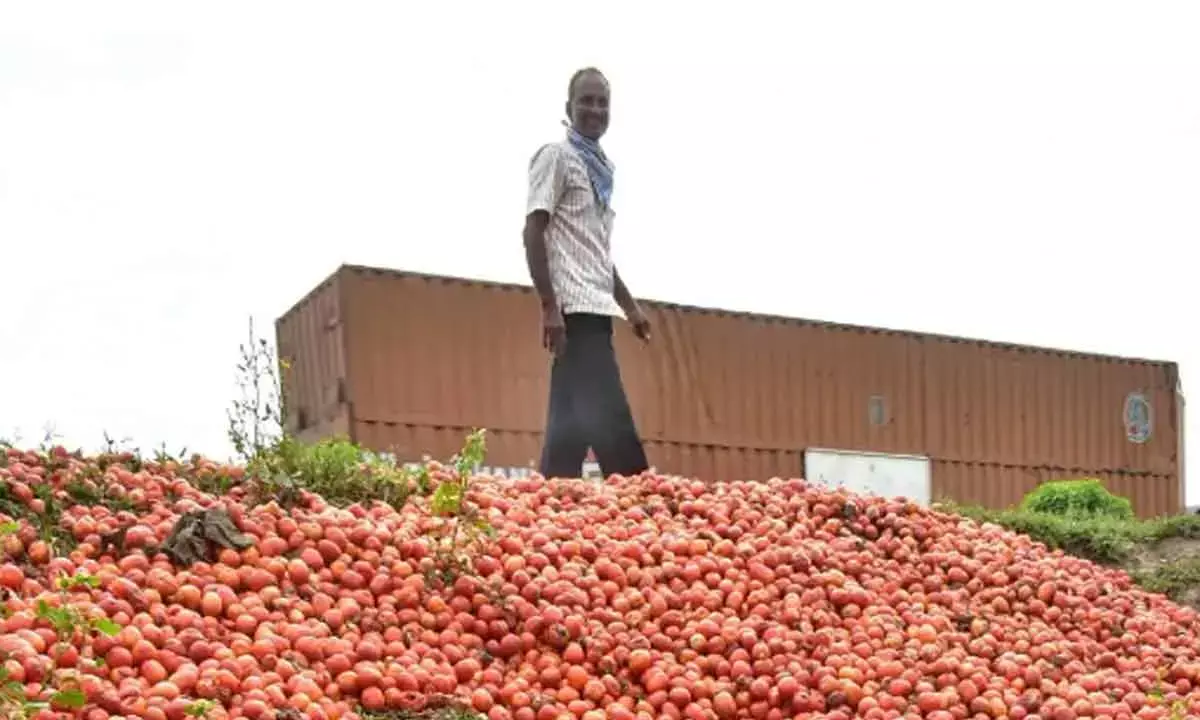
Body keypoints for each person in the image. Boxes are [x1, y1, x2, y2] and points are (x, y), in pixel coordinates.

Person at [522, 67, 651, 480]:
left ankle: (552, 502)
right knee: (614, 426)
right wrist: (548, 307)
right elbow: (533, 230)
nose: (595, 110)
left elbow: (597, 254)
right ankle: (647, 505)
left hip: (597, 310)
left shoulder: (602, 173)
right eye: (587, 101)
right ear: (569, 107)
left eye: (602, 102)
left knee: (567, 434)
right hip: (573, 313)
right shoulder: (555, 158)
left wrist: (631, 309)